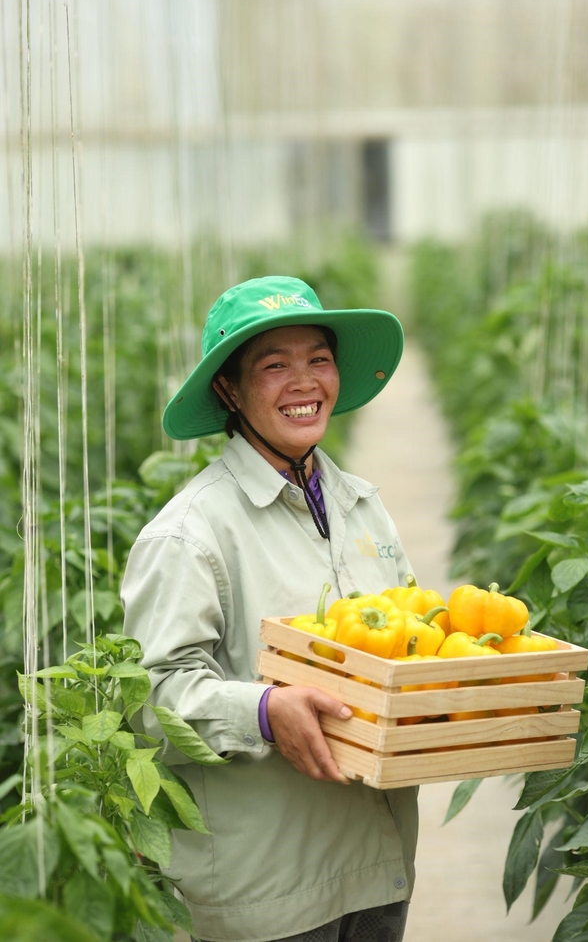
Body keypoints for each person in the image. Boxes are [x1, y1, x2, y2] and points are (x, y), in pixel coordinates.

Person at [121, 275, 418, 942]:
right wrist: (263, 710)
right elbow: (152, 699)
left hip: (379, 865)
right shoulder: (191, 533)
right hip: (271, 887)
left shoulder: (361, 506)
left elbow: (411, 642)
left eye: (317, 359)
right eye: (273, 365)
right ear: (228, 389)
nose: (303, 382)